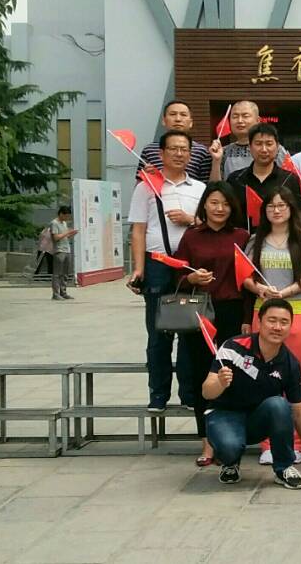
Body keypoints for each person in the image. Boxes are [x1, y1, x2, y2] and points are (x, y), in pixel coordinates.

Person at [204, 298, 301, 489]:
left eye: (284, 322)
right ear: (259, 322)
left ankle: (284, 467)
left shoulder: (290, 364)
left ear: (290, 326)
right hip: (224, 415)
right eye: (272, 320)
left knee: (279, 405)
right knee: (229, 447)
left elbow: (300, 412)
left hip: (257, 420)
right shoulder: (233, 346)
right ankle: (230, 462)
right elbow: (207, 392)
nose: (277, 327)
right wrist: (220, 383)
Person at [127, 130, 206, 412]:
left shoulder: (199, 188)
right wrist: (139, 269)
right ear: (161, 153)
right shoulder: (146, 186)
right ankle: (158, 394)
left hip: (187, 266)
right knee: (158, 333)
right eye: (173, 148)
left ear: (190, 154)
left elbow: (209, 223)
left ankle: (189, 394)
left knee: (189, 332)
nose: (179, 153)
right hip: (157, 264)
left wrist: (190, 219)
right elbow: (138, 230)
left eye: (184, 149)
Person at [172, 181, 249, 466]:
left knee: (232, 374)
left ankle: (231, 438)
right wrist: (191, 278)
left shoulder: (241, 236)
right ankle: (206, 442)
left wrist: (246, 318)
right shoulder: (192, 236)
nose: (220, 208)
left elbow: (248, 280)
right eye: (214, 202)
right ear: (204, 204)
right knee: (201, 375)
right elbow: (177, 274)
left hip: (232, 310)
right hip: (200, 311)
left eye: (226, 204)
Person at [242, 188, 301, 464]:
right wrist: (260, 289)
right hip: (263, 312)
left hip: (296, 313)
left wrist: (284, 293)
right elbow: (245, 276)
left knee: (294, 379)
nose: (276, 210)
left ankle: (295, 444)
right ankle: (268, 444)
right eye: (271, 206)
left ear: (291, 208)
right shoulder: (256, 240)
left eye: (282, 205)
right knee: (263, 377)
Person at [226, 123, 301, 229]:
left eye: (269, 144)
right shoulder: (235, 179)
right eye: (258, 144)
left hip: (280, 237)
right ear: (250, 147)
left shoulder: (289, 179)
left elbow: (297, 215)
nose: (264, 149)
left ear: (277, 147)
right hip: (244, 237)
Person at [208, 100, 289, 180]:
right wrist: (216, 161)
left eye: (245, 116)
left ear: (258, 120)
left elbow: (287, 180)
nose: (239, 121)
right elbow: (215, 186)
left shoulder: (274, 150)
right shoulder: (223, 152)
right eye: (235, 117)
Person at [137, 100, 212, 182]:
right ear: (164, 121)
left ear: (191, 123)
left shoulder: (202, 151)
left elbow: (207, 184)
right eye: (173, 114)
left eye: (183, 115)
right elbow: (139, 184)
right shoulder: (149, 150)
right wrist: (145, 177)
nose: (178, 119)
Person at [49, 206, 78, 301]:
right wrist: (67, 233)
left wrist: (71, 234)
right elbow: (56, 238)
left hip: (67, 250)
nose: (67, 218)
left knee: (65, 273)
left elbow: (64, 237)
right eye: (66, 216)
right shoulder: (54, 223)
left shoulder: (64, 223)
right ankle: (55, 294)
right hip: (59, 251)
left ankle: (63, 292)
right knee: (57, 274)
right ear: (61, 214)